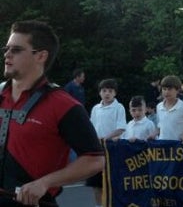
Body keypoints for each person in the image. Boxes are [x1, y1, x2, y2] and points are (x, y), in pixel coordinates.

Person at [0, 20, 104, 206]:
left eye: (16, 50)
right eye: (6, 49)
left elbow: (95, 159)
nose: (7, 55)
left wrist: (44, 183)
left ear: (41, 56)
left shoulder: (62, 104)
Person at [87, 78, 127, 206]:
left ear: (115, 93)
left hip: (112, 149)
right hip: (97, 149)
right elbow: (91, 128)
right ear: (100, 93)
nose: (107, 93)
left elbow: (121, 128)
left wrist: (106, 138)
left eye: (110, 91)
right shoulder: (95, 108)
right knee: (96, 183)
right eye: (104, 90)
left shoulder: (118, 107)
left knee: (112, 182)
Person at [150, 75, 183, 141]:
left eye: (170, 89)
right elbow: (160, 126)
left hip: (178, 146)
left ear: (177, 90)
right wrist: (153, 135)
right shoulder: (159, 107)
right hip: (163, 145)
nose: (166, 92)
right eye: (164, 89)